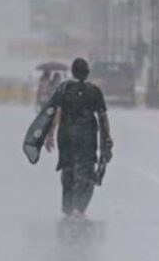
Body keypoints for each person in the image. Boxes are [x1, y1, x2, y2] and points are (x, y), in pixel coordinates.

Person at [43, 58, 113, 217]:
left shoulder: (64, 89)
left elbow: (56, 112)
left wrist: (50, 134)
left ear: (72, 72)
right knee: (87, 170)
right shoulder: (95, 91)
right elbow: (102, 116)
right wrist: (106, 138)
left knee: (68, 168)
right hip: (87, 136)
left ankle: (68, 205)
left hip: (66, 135)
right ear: (87, 73)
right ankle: (80, 207)